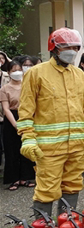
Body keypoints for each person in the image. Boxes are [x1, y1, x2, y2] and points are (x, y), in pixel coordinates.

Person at [18, 28, 84, 216]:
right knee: (47, 190)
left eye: (74, 47)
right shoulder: (36, 73)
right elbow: (25, 111)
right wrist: (28, 139)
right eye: (66, 46)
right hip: (48, 148)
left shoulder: (79, 75)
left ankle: (67, 227)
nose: (71, 50)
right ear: (54, 48)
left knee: (72, 186)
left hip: (76, 147)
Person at [2, 61, 35, 190]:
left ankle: (26, 177)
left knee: (27, 148)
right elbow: (6, 109)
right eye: (14, 70)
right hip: (12, 120)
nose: (17, 72)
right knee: (12, 150)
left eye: (19, 69)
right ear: (9, 73)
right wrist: (16, 125)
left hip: (28, 117)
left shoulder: (27, 85)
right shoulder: (5, 89)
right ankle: (13, 179)